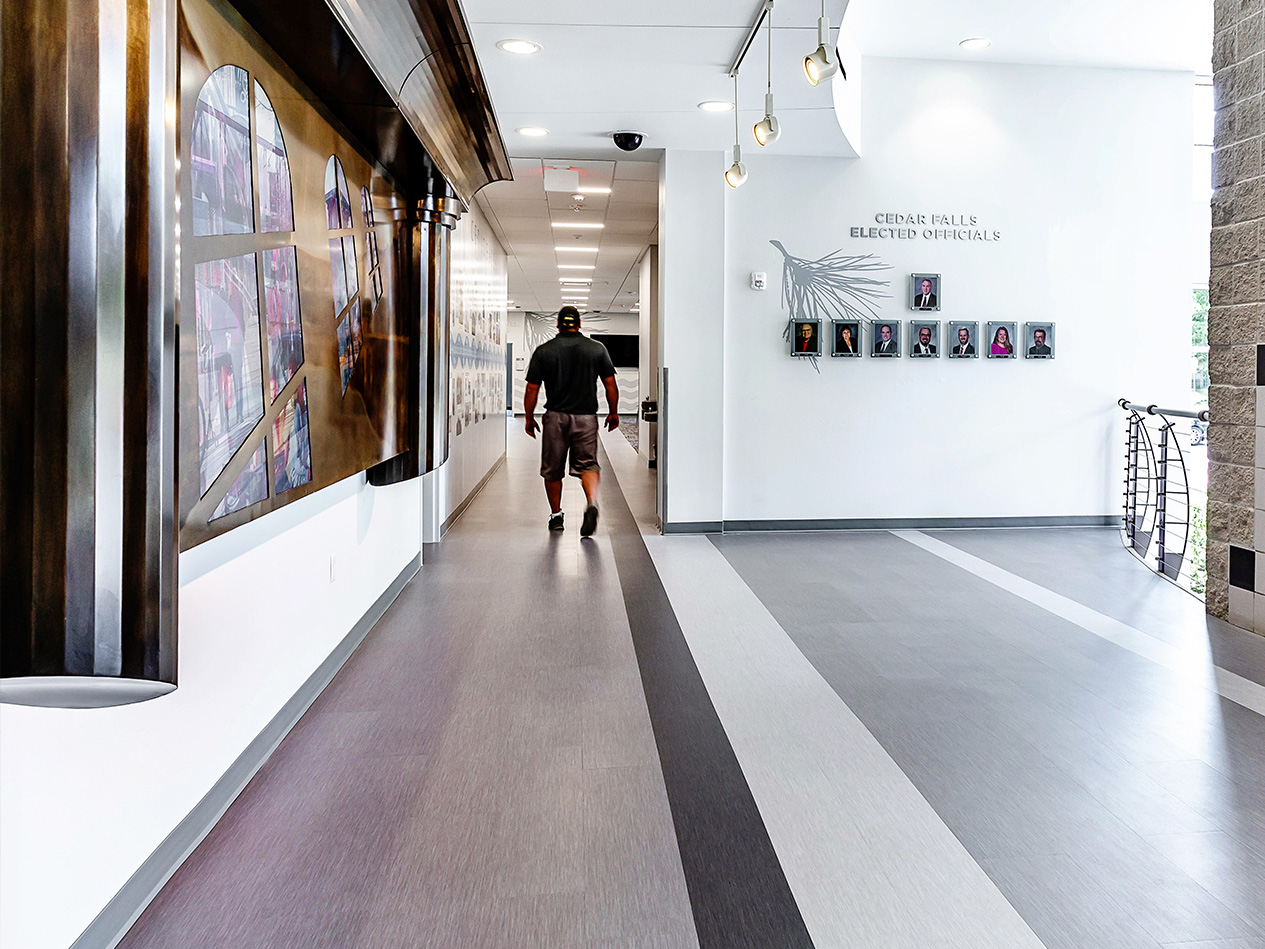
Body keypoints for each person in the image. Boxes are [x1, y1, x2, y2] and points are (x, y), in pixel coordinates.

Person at [523, 306, 619, 536]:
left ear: (557, 324)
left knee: (552, 470)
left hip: (555, 417)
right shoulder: (596, 349)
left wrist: (528, 417)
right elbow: (610, 384)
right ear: (579, 324)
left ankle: (556, 516)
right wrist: (613, 412)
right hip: (586, 417)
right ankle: (592, 502)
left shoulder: (544, 351)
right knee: (588, 465)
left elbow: (531, 388)